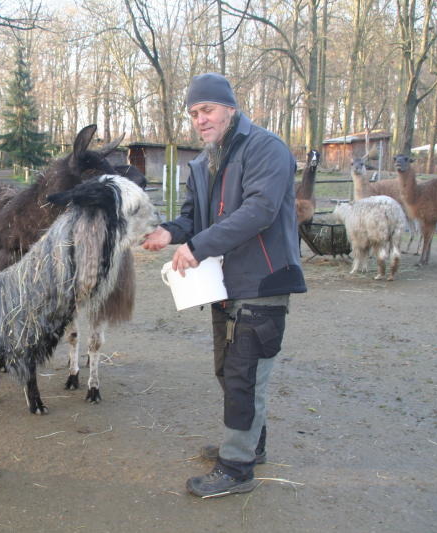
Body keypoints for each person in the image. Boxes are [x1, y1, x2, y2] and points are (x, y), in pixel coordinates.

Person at [142, 73, 306, 498]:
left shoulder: (266, 148)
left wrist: (197, 244)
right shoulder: (203, 161)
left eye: (208, 109)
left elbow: (260, 210)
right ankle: (250, 444)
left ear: (230, 108)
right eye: (194, 113)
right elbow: (194, 218)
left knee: (244, 374)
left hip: (263, 280)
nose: (200, 119)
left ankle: (236, 468)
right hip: (223, 284)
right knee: (228, 370)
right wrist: (170, 232)